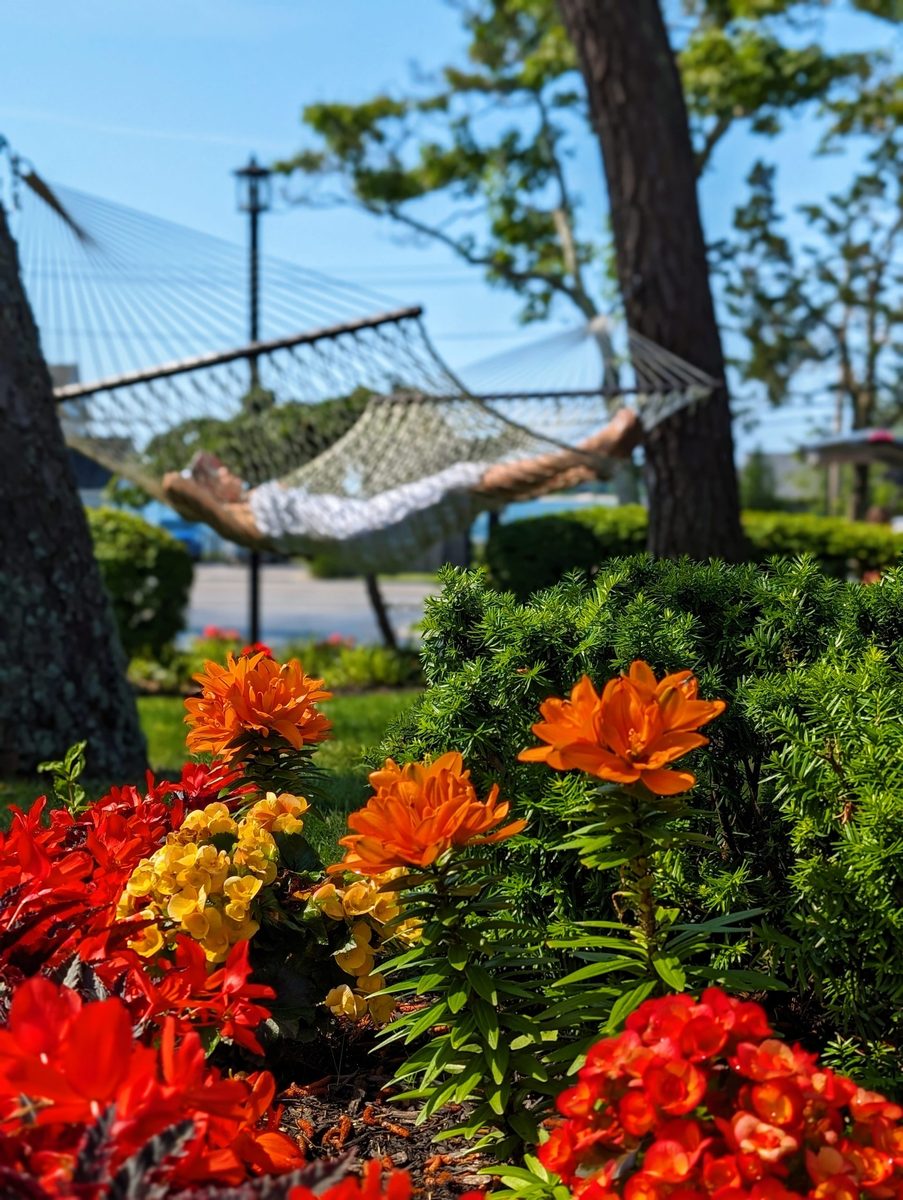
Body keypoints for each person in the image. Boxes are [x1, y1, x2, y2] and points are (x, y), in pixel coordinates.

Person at [162, 406, 640, 557]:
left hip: (374, 525)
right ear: (208, 497)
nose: (224, 469)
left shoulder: (248, 504)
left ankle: (593, 466)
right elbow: (173, 486)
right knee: (462, 482)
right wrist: (196, 485)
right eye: (215, 474)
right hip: (372, 527)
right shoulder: (236, 520)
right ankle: (591, 449)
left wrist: (207, 477)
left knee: (476, 493)